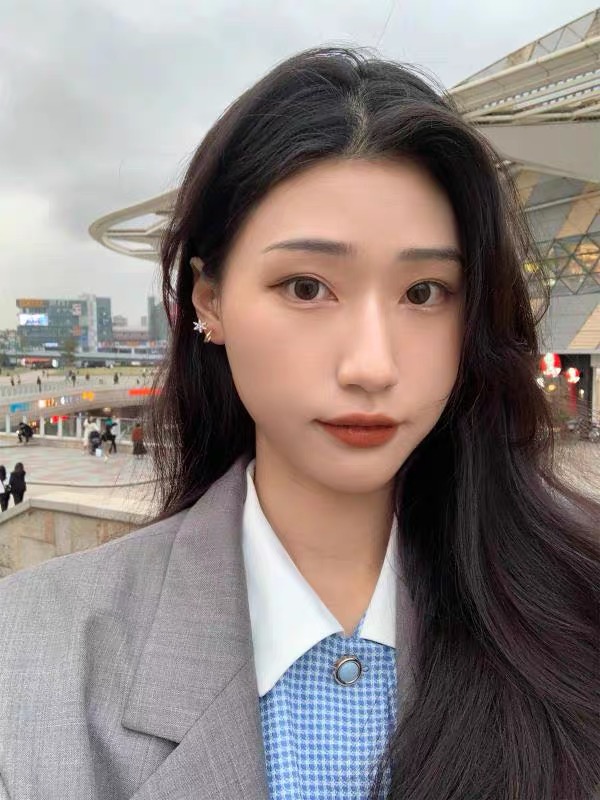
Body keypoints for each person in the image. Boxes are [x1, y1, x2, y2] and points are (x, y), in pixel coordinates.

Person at [0, 49, 597, 800]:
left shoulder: (577, 610)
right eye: (307, 287)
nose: (371, 365)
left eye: (424, 292)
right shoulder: (33, 656)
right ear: (209, 301)